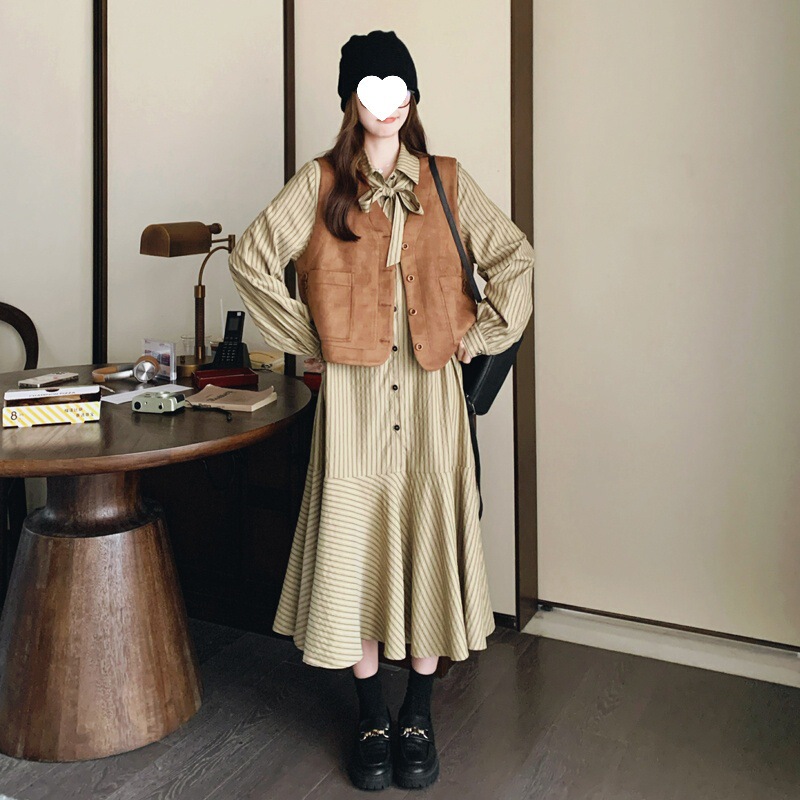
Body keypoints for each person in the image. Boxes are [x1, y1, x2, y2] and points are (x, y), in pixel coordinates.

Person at [229, 29, 534, 792]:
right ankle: (371, 714)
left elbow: (514, 258)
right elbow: (252, 256)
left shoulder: (448, 180)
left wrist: (477, 336)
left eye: (399, 87)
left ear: (412, 97)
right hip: (354, 400)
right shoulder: (320, 182)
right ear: (349, 100)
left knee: (428, 535)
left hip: (432, 394)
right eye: (371, 88)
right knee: (355, 545)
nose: (387, 102)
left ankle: (418, 712)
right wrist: (314, 337)